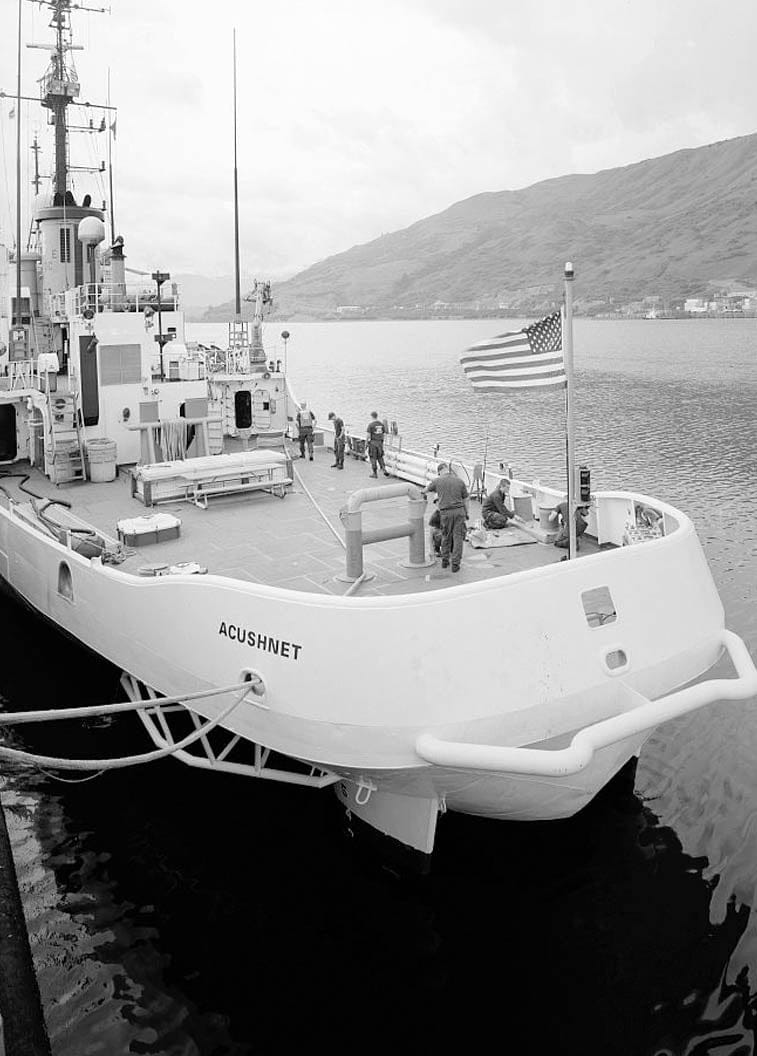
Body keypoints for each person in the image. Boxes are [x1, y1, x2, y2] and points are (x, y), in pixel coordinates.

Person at [423, 463, 469, 573]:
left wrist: (420, 493)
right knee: (458, 538)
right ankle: (455, 565)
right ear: (448, 470)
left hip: (445, 513)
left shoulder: (437, 481)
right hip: (459, 512)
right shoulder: (459, 481)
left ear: (439, 472)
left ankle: (445, 561)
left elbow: (425, 490)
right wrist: (466, 513)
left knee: (446, 536)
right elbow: (466, 499)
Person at [366, 411, 390, 478]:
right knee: (380, 457)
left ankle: (374, 473)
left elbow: (368, 436)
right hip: (380, 443)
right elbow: (384, 433)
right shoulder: (381, 424)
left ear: (371, 416)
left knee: (373, 458)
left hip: (373, 443)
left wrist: (366, 444)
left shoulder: (371, 425)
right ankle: (384, 469)